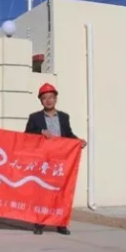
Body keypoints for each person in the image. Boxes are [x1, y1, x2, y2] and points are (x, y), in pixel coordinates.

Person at [25, 83, 87, 236]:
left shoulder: (64, 117)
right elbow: (26, 136)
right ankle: (39, 222)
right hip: (44, 161)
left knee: (61, 192)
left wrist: (78, 141)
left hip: (61, 161)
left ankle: (61, 224)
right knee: (42, 193)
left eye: (51, 97)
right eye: (45, 98)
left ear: (56, 99)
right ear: (41, 100)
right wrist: (40, 131)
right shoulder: (35, 118)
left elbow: (68, 135)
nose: (48, 100)